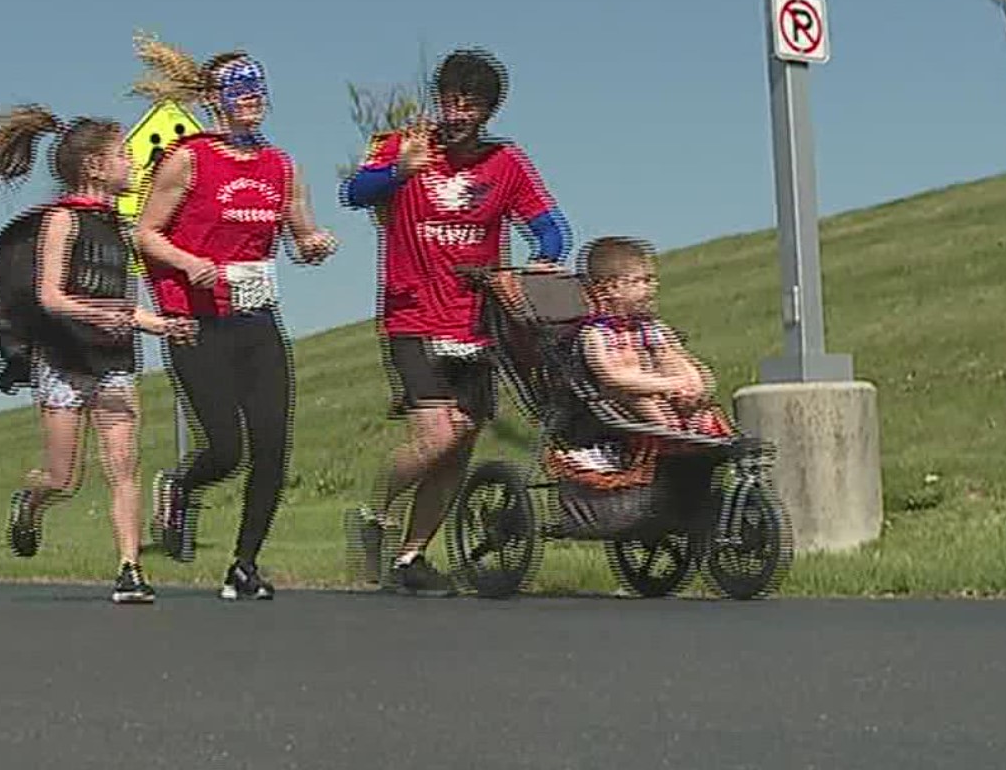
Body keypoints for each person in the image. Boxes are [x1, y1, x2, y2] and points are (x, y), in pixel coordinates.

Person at [340, 48, 571, 592]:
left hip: (474, 322)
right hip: (411, 315)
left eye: (471, 104)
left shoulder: (507, 162)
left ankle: (410, 557)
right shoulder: (404, 143)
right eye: (450, 99)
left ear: (489, 111)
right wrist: (398, 173)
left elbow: (552, 225)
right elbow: (352, 192)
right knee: (436, 436)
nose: (458, 112)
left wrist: (542, 258)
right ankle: (375, 512)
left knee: (460, 444)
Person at [130, 33, 338, 601]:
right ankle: (179, 485)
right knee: (226, 447)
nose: (251, 96)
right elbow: (145, 233)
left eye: (257, 86)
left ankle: (244, 565)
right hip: (195, 321)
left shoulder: (281, 166)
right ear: (213, 98)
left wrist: (316, 243)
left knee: (272, 443)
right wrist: (189, 261)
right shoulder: (189, 158)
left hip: (256, 318)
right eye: (238, 87)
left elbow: (300, 234)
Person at [0, 103, 198, 605]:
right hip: (64, 361)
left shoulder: (120, 226)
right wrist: (98, 317)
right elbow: (50, 296)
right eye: (123, 156)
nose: (133, 164)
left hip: (113, 361)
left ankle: (130, 569)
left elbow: (126, 305)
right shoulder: (62, 221)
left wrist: (162, 325)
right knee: (64, 477)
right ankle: (31, 501)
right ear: (94, 166)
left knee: (124, 467)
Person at [577, 235, 733, 441]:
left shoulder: (649, 327)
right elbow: (614, 377)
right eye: (640, 281)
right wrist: (668, 385)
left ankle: (701, 430)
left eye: (651, 280)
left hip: (663, 387)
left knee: (694, 393)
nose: (650, 288)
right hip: (626, 398)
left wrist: (691, 383)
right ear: (611, 288)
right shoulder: (597, 334)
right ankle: (673, 437)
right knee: (643, 399)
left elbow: (671, 356)